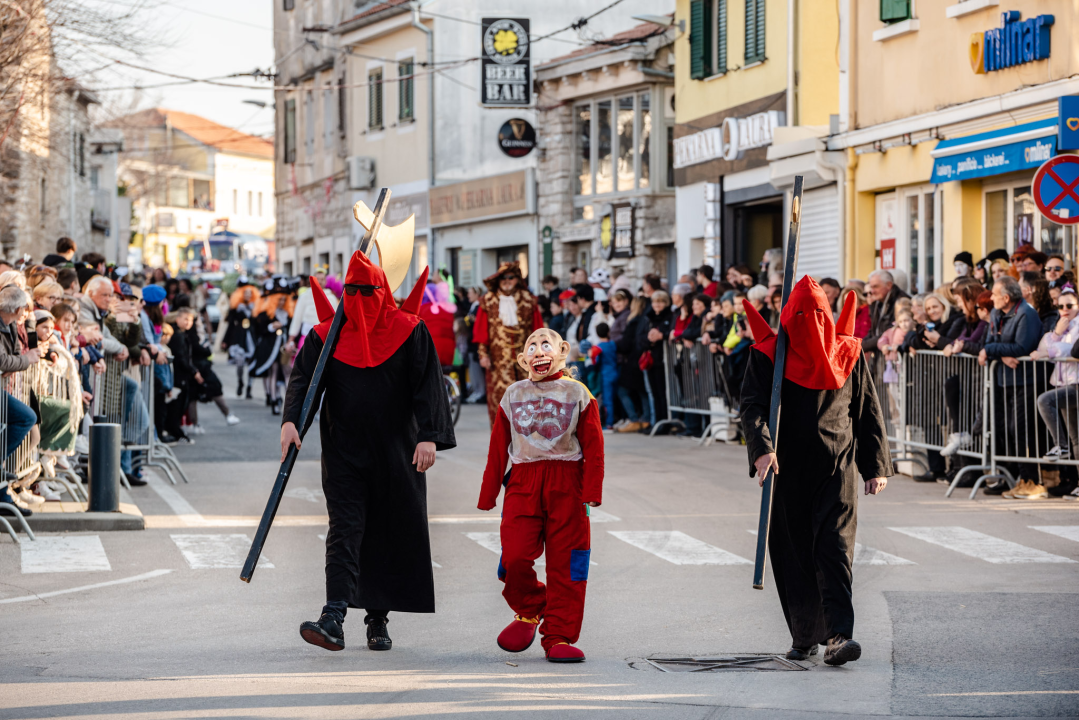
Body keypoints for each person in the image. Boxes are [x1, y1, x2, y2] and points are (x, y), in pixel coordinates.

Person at [283, 251, 456, 653]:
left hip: (398, 450)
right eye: (353, 290)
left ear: (383, 290)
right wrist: (291, 422)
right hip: (343, 449)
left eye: (368, 290)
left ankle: (377, 618)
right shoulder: (326, 335)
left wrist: (429, 435)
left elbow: (428, 383)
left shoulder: (410, 330)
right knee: (345, 527)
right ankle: (333, 615)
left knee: (386, 528)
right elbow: (304, 379)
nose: (360, 299)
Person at [740, 277, 891, 666]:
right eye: (803, 316)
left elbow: (866, 409)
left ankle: (839, 635)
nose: (812, 324)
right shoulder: (768, 355)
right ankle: (805, 634)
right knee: (793, 553)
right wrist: (762, 450)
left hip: (836, 467)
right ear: (790, 317)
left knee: (834, 549)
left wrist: (875, 466)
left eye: (819, 314)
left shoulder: (848, 353)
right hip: (786, 467)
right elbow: (753, 405)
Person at [478, 328, 603, 663]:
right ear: (523, 360)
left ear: (562, 351)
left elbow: (594, 445)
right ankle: (531, 608)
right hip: (523, 481)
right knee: (514, 556)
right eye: (531, 347)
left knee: (569, 563)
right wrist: (489, 493)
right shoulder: (513, 394)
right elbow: (497, 447)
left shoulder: (578, 392)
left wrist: (592, 490)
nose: (539, 351)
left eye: (546, 344)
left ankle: (559, 635)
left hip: (568, 483)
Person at [978, 277, 1042, 496]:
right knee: (1005, 428)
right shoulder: (996, 313)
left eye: (995, 294)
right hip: (1004, 379)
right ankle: (1012, 477)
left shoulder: (1026, 313)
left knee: (1021, 429)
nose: (991, 297)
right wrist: (1001, 353)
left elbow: (1023, 347)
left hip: (1026, 380)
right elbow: (988, 342)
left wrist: (994, 351)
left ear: (1006, 297)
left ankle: (1031, 479)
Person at [473, 262, 544, 426]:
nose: (507, 281)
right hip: (498, 363)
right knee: (500, 402)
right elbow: (481, 331)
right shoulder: (488, 301)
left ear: (517, 279)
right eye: (503, 278)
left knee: (527, 400)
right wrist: (483, 354)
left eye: (511, 277)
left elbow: (538, 331)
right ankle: (501, 438)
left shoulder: (528, 300)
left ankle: (527, 437)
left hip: (525, 362)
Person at [1031, 284, 1079, 499]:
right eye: (1060, 306)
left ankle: (1060, 445)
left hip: (1076, 384)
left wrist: (1049, 350)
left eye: (1070, 305)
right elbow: (1043, 346)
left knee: (1045, 400)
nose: (1065, 310)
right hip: (1063, 383)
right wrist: (1057, 333)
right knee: (1076, 438)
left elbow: (1072, 351)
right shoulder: (1060, 326)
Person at [0, 286, 45, 518]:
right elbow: (5, 361)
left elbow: (14, 356)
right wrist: (24, 360)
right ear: (18, 309)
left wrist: (16, 362)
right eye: (25, 309)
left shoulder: (10, 324)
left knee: (27, 417)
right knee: (26, 416)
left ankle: (4, 498)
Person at [251, 280, 295, 415]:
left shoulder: (288, 314)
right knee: (273, 372)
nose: (281, 302)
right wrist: (271, 327)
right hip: (271, 348)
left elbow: (293, 330)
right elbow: (258, 330)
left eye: (284, 300)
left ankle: (289, 404)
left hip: (285, 347)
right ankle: (274, 401)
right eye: (279, 299)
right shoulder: (265, 314)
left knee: (287, 372)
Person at [223, 282, 260, 398]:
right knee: (240, 363)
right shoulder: (236, 308)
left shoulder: (256, 308)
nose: (248, 295)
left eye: (250, 293)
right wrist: (225, 340)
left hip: (252, 337)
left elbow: (259, 325)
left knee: (252, 363)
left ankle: (249, 387)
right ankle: (240, 382)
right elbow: (230, 325)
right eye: (245, 293)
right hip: (239, 337)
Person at [862, 270, 910, 353]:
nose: (872, 291)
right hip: (880, 354)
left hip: (894, 354)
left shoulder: (901, 302)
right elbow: (873, 331)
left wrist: (863, 346)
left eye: (876, 287)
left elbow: (890, 330)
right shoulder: (876, 303)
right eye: (871, 287)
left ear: (889, 285)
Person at [591, 323, 619, 430]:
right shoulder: (613, 344)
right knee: (615, 398)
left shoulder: (598, 347)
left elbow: (595, 362)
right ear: (608, 332)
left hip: (606, 375)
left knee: (608, 400)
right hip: (615, 372)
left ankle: (609, 424)